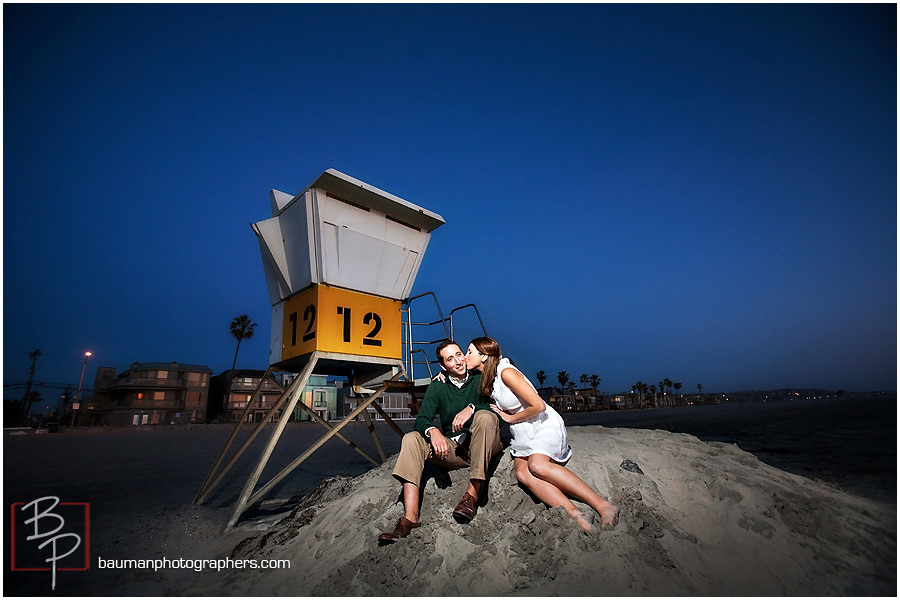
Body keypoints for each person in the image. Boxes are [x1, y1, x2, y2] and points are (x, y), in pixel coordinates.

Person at [466, 336, 619, 534]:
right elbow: (458, 379)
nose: (466, 355)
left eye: (470, 351)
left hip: (542, 424)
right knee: (523, 474)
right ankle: (575, 513)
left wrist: (511, 419)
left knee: (537, 466)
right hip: (523, 432)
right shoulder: (489, 377)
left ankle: (603, 505)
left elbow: (538, 405)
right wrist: (442, 375)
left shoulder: (506, 373)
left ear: (484, 356)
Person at [378, 340, 503, 544]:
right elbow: (422, 419)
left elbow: (497, 408)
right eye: (450, 359)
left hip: (485, 443)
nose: (458, 361)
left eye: (460, 354)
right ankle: (410, 519)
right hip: (455, 450)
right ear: (443, 366)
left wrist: (471, 408)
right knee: (411, 439)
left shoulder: (481, 377)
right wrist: (433, 430)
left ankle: (472, 496)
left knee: (485, 417)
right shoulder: (438, 385)